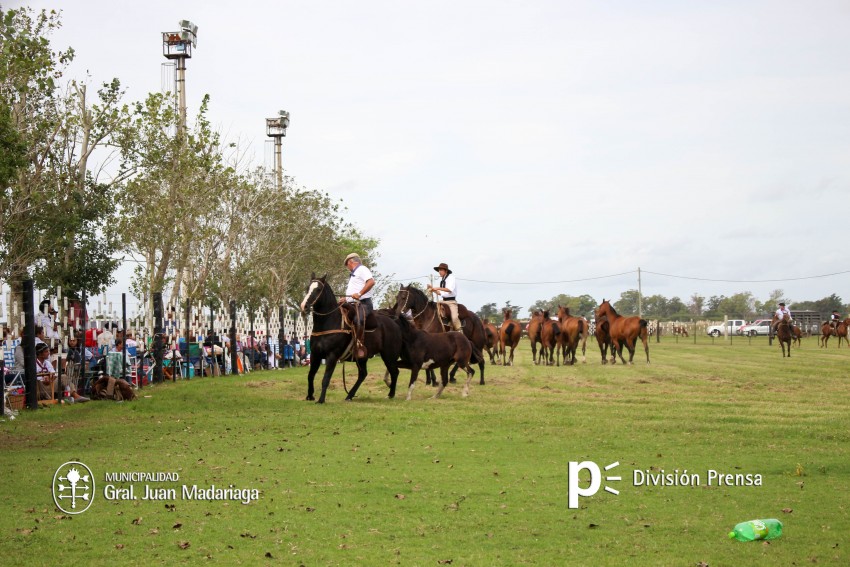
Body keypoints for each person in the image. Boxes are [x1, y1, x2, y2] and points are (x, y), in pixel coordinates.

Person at [339, 253, 375, 356]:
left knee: (357, 320)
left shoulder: (362, 269)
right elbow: (354, 292)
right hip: (352, 304)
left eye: (347, 265)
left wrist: (359, 294)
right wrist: (346, 298)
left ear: (351, 262)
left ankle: (359, 345)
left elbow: (371, 282)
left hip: (364, 304)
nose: (347, 267)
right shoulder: (354, 274)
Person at [427, 262, 462, 331]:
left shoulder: (451, 278)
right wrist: (432, 289)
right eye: (439, 270)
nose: (439, 272)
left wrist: (437, 288)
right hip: (443, 301)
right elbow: (440, 293)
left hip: (451, 302)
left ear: (446, 271)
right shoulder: (442, 280)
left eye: (441, 270)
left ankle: (460, 331)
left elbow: (449, 289)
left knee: (454, 318)